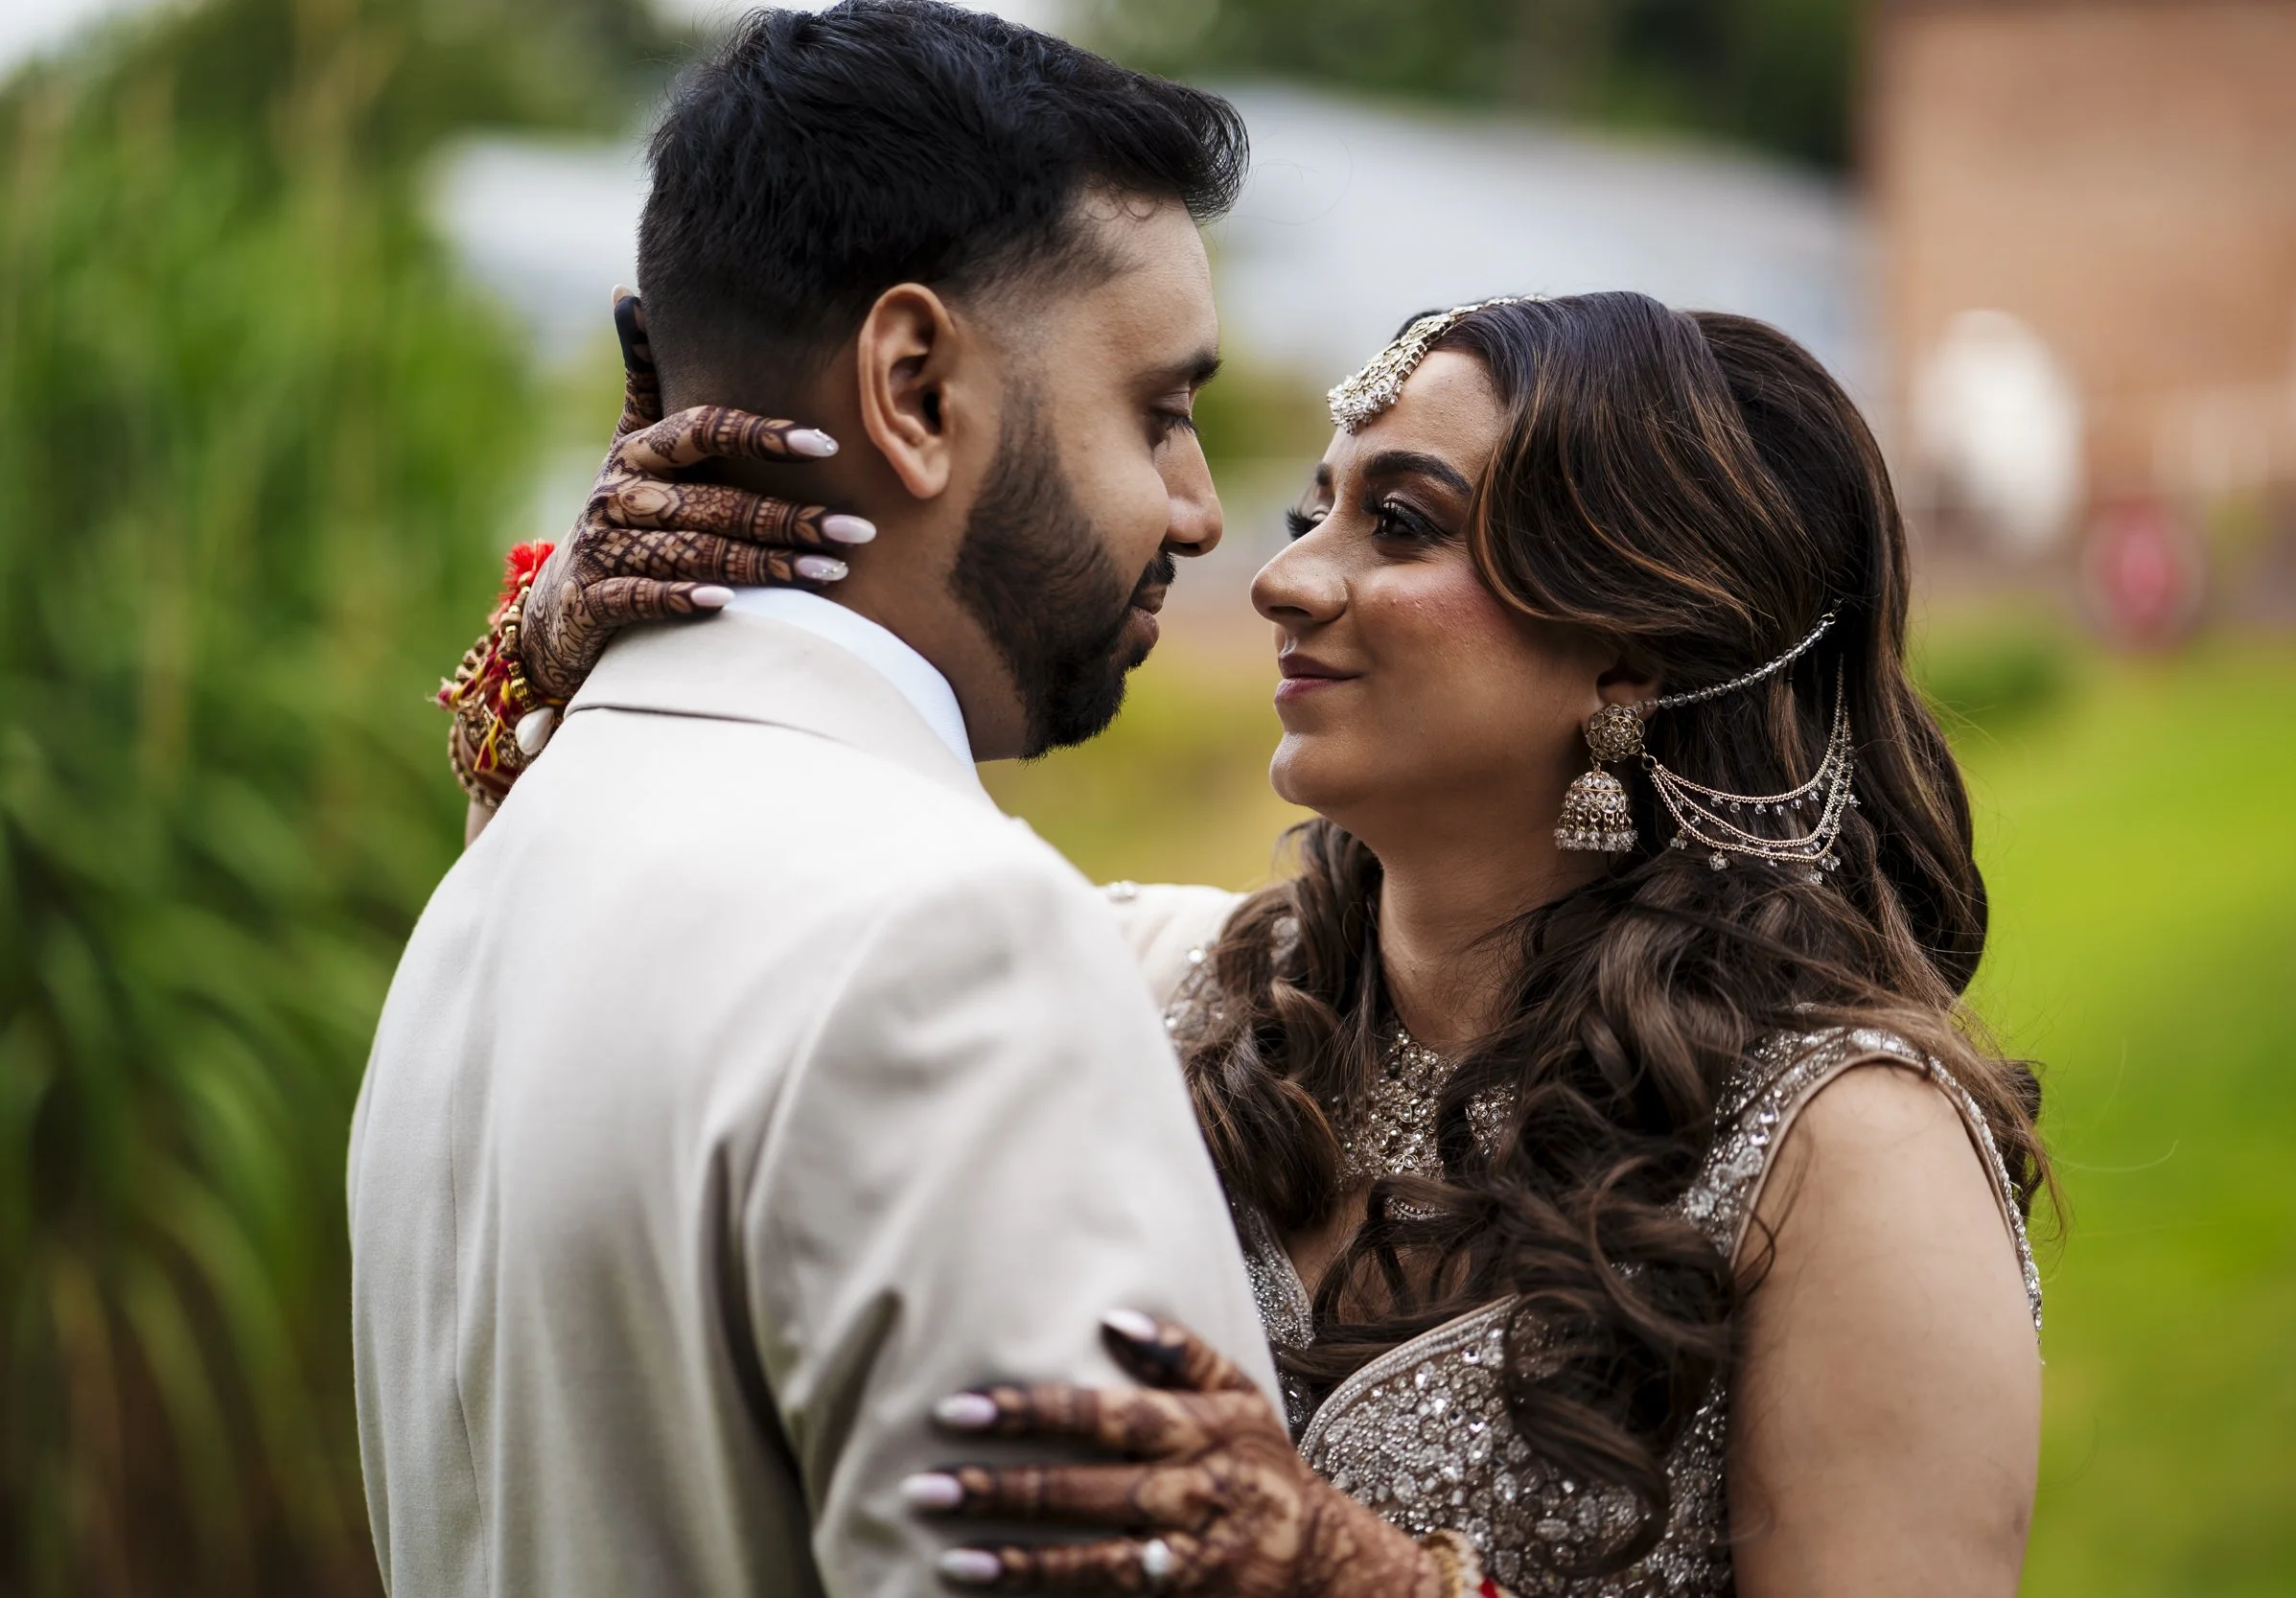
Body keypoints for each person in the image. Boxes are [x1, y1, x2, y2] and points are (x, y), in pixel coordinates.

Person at [490, 292, 2050, 1595]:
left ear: (1629, 645)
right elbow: (654, 960)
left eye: (1401, 524)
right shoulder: (1169, 988)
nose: (1289, 576)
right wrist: (577, 649)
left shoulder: (1845, 1151)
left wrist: (1364, 1577)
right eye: (1318, 511)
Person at [348, 7, 1280, 1596]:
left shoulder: (496, 883)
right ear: (913, 387)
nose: (1200, 513)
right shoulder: (945, 941)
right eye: (1159, 409)